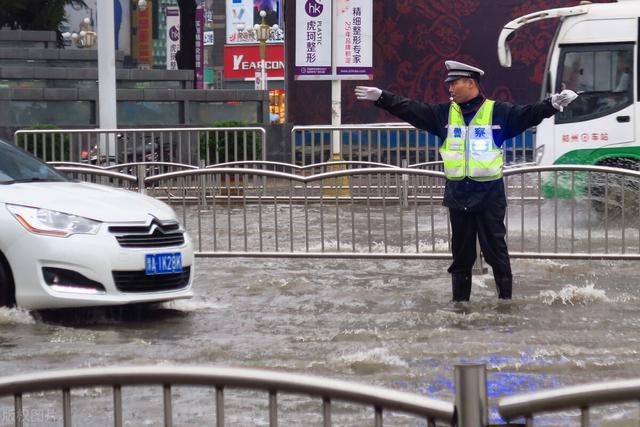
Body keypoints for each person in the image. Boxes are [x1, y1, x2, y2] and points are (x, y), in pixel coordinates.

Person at [354, 60, 578, 301]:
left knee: (496, 254)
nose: (449, 88)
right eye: (448, 83)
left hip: (489, 196)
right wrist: (382, 97)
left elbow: (528, 115)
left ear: (470, 83)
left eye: (454, 83)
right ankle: (460, 307)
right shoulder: (443, 115)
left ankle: (505, 304)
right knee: (461, 257)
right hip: (458, 195)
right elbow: (410, 109)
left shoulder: (497, 111)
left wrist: (552, 105)